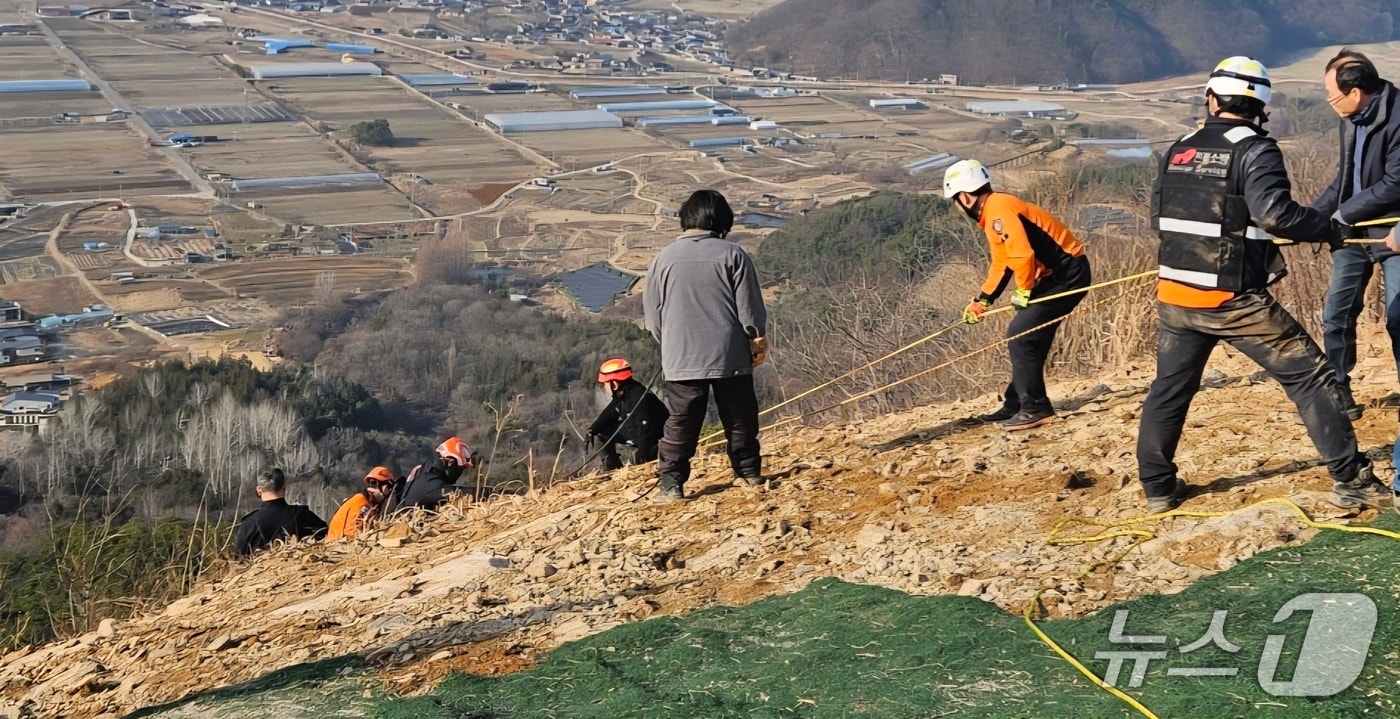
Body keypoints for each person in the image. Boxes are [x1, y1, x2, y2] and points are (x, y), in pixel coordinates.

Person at [1136, 56, 1382, 513]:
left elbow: (1158, 217)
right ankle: (1353, 481)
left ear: (1211, 99)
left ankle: (1158, 487)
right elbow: (1275, 215)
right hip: (1231, 297)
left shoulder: (1179, 147)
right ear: (1261, 106)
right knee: (1312, 376)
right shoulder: (1254, 149)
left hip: (1174, 294)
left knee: (1169, 390)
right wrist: (1327, 229)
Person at [945, 158, 1092, 431]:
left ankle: (1035, 408)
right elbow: (1002, 263)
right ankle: (1017, 403)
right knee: (1028, 337)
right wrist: (982, 300)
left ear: (964, 197)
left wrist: (1024, 289)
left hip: (1067, 275)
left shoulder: (999, 210)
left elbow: (1023, 255)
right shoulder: (994, 212)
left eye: (955, 200)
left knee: (1020, 336)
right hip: (1056, 275)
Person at [644, 189, 767, 501]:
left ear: (687, 218)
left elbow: (652, 317)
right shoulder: (733, 255)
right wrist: (756, 340)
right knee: (739, 418)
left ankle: (671, 483)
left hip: (679, 356)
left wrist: (671, 344)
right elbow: (749, 310)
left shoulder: (662, 259)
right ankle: (749, 474)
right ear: (722, 220)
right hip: (730, 354)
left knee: (681, 421)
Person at [1313, 49, 1400, 420]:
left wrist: (1342, 214)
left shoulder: (1399, 117)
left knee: (1399, 318)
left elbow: (1396, 183)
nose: (1332, 105)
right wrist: (1312, 217)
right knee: (1336, 313)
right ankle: (1338, 387)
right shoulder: (1350, 120)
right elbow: (1344, 178)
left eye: (1334, 97)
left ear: (1356, 90)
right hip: (1352, 235)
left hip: (1393, 234)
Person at [588, 357, 669, 470]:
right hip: (636, 431)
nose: (604, 388)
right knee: (602, 432)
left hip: (655, 439)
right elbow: (611, 412)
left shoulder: (639, 399)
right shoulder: (624, 394)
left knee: (639, 458)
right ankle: (611, 469)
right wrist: (592, 429)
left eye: (605, 384)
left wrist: (638, 465)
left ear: (614, 384)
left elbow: (647, 436)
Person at [233, 468, 328, 556]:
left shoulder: (248, 524)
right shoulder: (302, 515)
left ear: (259, 490)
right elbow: (327, 536)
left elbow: (239, 557)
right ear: (284, 488)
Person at [397, 436, 476, 511]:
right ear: (451, 463)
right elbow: (463, 493)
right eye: (460, 469)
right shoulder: (431, 484)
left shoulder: (426, 474)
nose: (460, 473)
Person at [326, 466, 396, 540]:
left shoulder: (364, 500)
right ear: (385, 489)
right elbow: (351, 532)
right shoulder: (362, 503)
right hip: (340, 542)